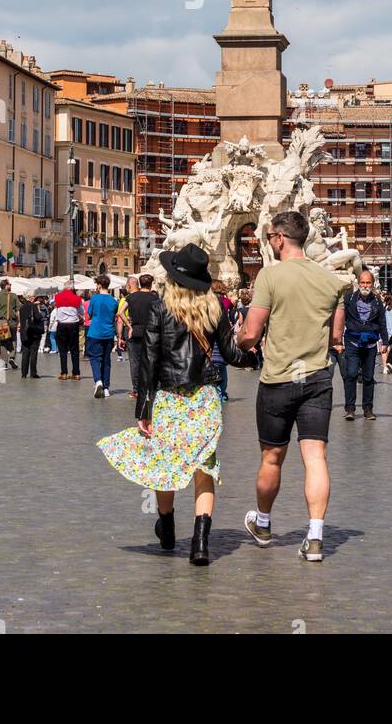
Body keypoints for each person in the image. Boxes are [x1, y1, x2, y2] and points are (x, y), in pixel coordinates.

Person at [98, 243, 253, 566]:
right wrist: (258, 351)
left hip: (170, 398)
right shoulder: (215, 308)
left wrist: (144, 408)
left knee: (165, 467)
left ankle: (167, 528)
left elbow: (149, 363)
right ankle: (200, 544)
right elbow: (233, 354)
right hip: (205, 397)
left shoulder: (160, 309)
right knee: (204, 468)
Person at [236, 211, 350, 564]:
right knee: (315, 458)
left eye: (269, 236)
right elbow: (335, 336)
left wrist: (240, 342)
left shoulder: (269, 276)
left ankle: (264, 523)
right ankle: (315, 536)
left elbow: (252, 333)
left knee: (272, 457)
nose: (268, 241)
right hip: (316, 378)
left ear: (281, 238)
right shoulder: (332, 281)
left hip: (278, 378)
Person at [339, 269, 388, 421]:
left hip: (371, 344)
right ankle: (350, 408)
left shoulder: (378, 300)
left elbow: (382, 323)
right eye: (363, 282)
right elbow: (340, 320)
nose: (365, 285)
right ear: (358, 283)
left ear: (372, 284)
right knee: (351, 374)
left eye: (368, 283)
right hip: (352, 342)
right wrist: (337, 340)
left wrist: (385, 342)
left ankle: (368, 409)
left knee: (368, 377)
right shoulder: (349, 298)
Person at [118, 273, 159, 399]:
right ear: (151, 284)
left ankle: (136, 389)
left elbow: (120, 312)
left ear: (140, 284)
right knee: (150, 361)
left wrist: (129, 326)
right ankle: (150, 388)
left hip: (134, 331)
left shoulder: (131, 297)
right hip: (150, 333)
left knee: (135, 362)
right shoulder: (154, 298)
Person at [85, 276, 118, 398]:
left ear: (99, 285)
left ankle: (98, 381)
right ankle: (106, 388)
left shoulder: (94, 298)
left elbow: (89, 316)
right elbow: (114, 316)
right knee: (106, 360)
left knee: (94, 358)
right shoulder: (114, 301)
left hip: (95, 333)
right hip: (108, 333)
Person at [54, 280, 83, 380]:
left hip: (62, 325)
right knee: (74, 350)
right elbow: (81, 312)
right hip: (73, 325)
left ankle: (64, 373)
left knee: (63, 350)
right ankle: (76, 373)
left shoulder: (57, 297)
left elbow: (55, 306)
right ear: (72, 288)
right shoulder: (77, 298)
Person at [0, 280, 18, 370]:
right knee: (13, 339)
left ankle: (5, 363)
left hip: (1, 322)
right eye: (10, 284)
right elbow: (18, 310)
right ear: (6, 286)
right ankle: (12, 357)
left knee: (3, 342)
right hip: (12, 322)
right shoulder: (13, 296)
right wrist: (20, 322)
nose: (11, 285)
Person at [18, 294, 44, 378]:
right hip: (33, 332)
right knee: (33, 353)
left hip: (24, 333)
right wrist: (39, 310)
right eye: (33, 297)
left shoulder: (21, 307)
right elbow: (38, 317)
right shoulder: (33, 306)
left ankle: (24, 373)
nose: (34, 298)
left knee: (25, 353)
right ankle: (33, 373)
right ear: (30, 298)